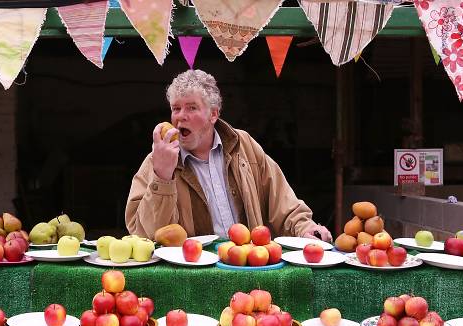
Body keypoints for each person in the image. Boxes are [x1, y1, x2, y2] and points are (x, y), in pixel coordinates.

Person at [125, 69, 333, 242]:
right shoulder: (156, 161)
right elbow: (142, 234)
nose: (181, 116)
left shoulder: (243, 145)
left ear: (213, 114)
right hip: (192, 273)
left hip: (247, 264)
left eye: (191, 108)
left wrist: (305, 228)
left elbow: (282, 200)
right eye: (176, 108)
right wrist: (162, 176)